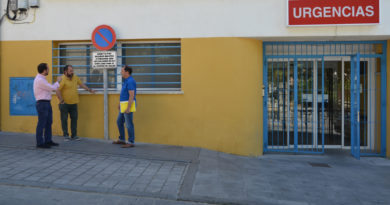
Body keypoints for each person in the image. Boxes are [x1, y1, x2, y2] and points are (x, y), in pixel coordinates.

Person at [56, 65, 95, 141]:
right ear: (65, 72)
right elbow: (57, 90)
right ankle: (66, 135)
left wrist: (89, 90)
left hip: (74, 103)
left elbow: (82, 84)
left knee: (74, 120)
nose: (72, 72)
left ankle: (74, 135)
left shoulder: (75, 77)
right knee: (64, 120)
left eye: (72, 70)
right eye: (70, 71)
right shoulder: (62, 79)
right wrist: (61, 100)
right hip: (64, 104)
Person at [33, 63, 62, 148]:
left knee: (48, 122)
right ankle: (40, 143)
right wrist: (58, 81)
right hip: (42, 103)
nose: (49, 70)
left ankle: (48, 140)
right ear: (44, 70)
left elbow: (49, 88)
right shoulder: (40, 80)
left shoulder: (42, 79)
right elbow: (52, 88)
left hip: (46, 103)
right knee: (42, 123)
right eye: (48, 68)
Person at [112, 65, 136, 148]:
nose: (120, 72)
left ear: (127, 72)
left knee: (129, 124)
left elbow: (131, 95)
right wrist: (120, 103)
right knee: (119, 122)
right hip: (123, 105)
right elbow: (124, 94)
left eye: (122, 71)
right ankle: (122, 139)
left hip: (127, 106)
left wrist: (128, 108)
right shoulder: (126, 81)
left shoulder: (130, 81)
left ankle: (131, 142)